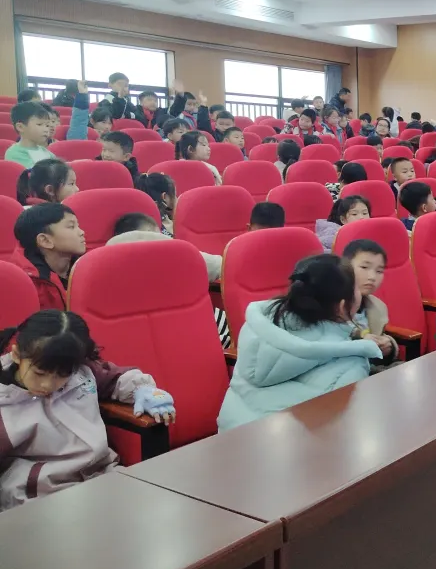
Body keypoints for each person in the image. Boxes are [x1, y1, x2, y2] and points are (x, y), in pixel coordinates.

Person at [0, 310, 175, 511]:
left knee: (157, 509)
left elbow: (114, 378)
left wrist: (142, 390)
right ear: (16, 355)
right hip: (40, 493)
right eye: (39, 373)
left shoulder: (82, 372)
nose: (48, 384)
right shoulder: (5, 404)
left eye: (62, 375)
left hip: (101, 475)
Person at [217, 254, 383, 431]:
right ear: (342, 306)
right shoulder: (351, 365)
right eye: (356, 288)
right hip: (294, 446)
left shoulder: (258, 328)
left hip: (228, 437)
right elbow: (337, 432)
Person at [13, 204, 86, 310]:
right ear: (45, 240)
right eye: (71, 227)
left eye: (78, 226)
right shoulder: (24, 282)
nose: (82, 232)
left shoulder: (88, 266)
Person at [342, 239, 399, 365]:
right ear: (345, 267)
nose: (372, 277)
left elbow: (379, 336)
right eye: (364, 267)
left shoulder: (377, 306)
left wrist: (388, 346)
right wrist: (360, 339)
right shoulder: (331, 306)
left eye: (379, 271)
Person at [5, 101, 55, 168]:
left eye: (47, 125)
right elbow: (35, 173)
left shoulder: (44, 150)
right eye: (39, 124)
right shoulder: (14, 153)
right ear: (20, 127)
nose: (46, 130)